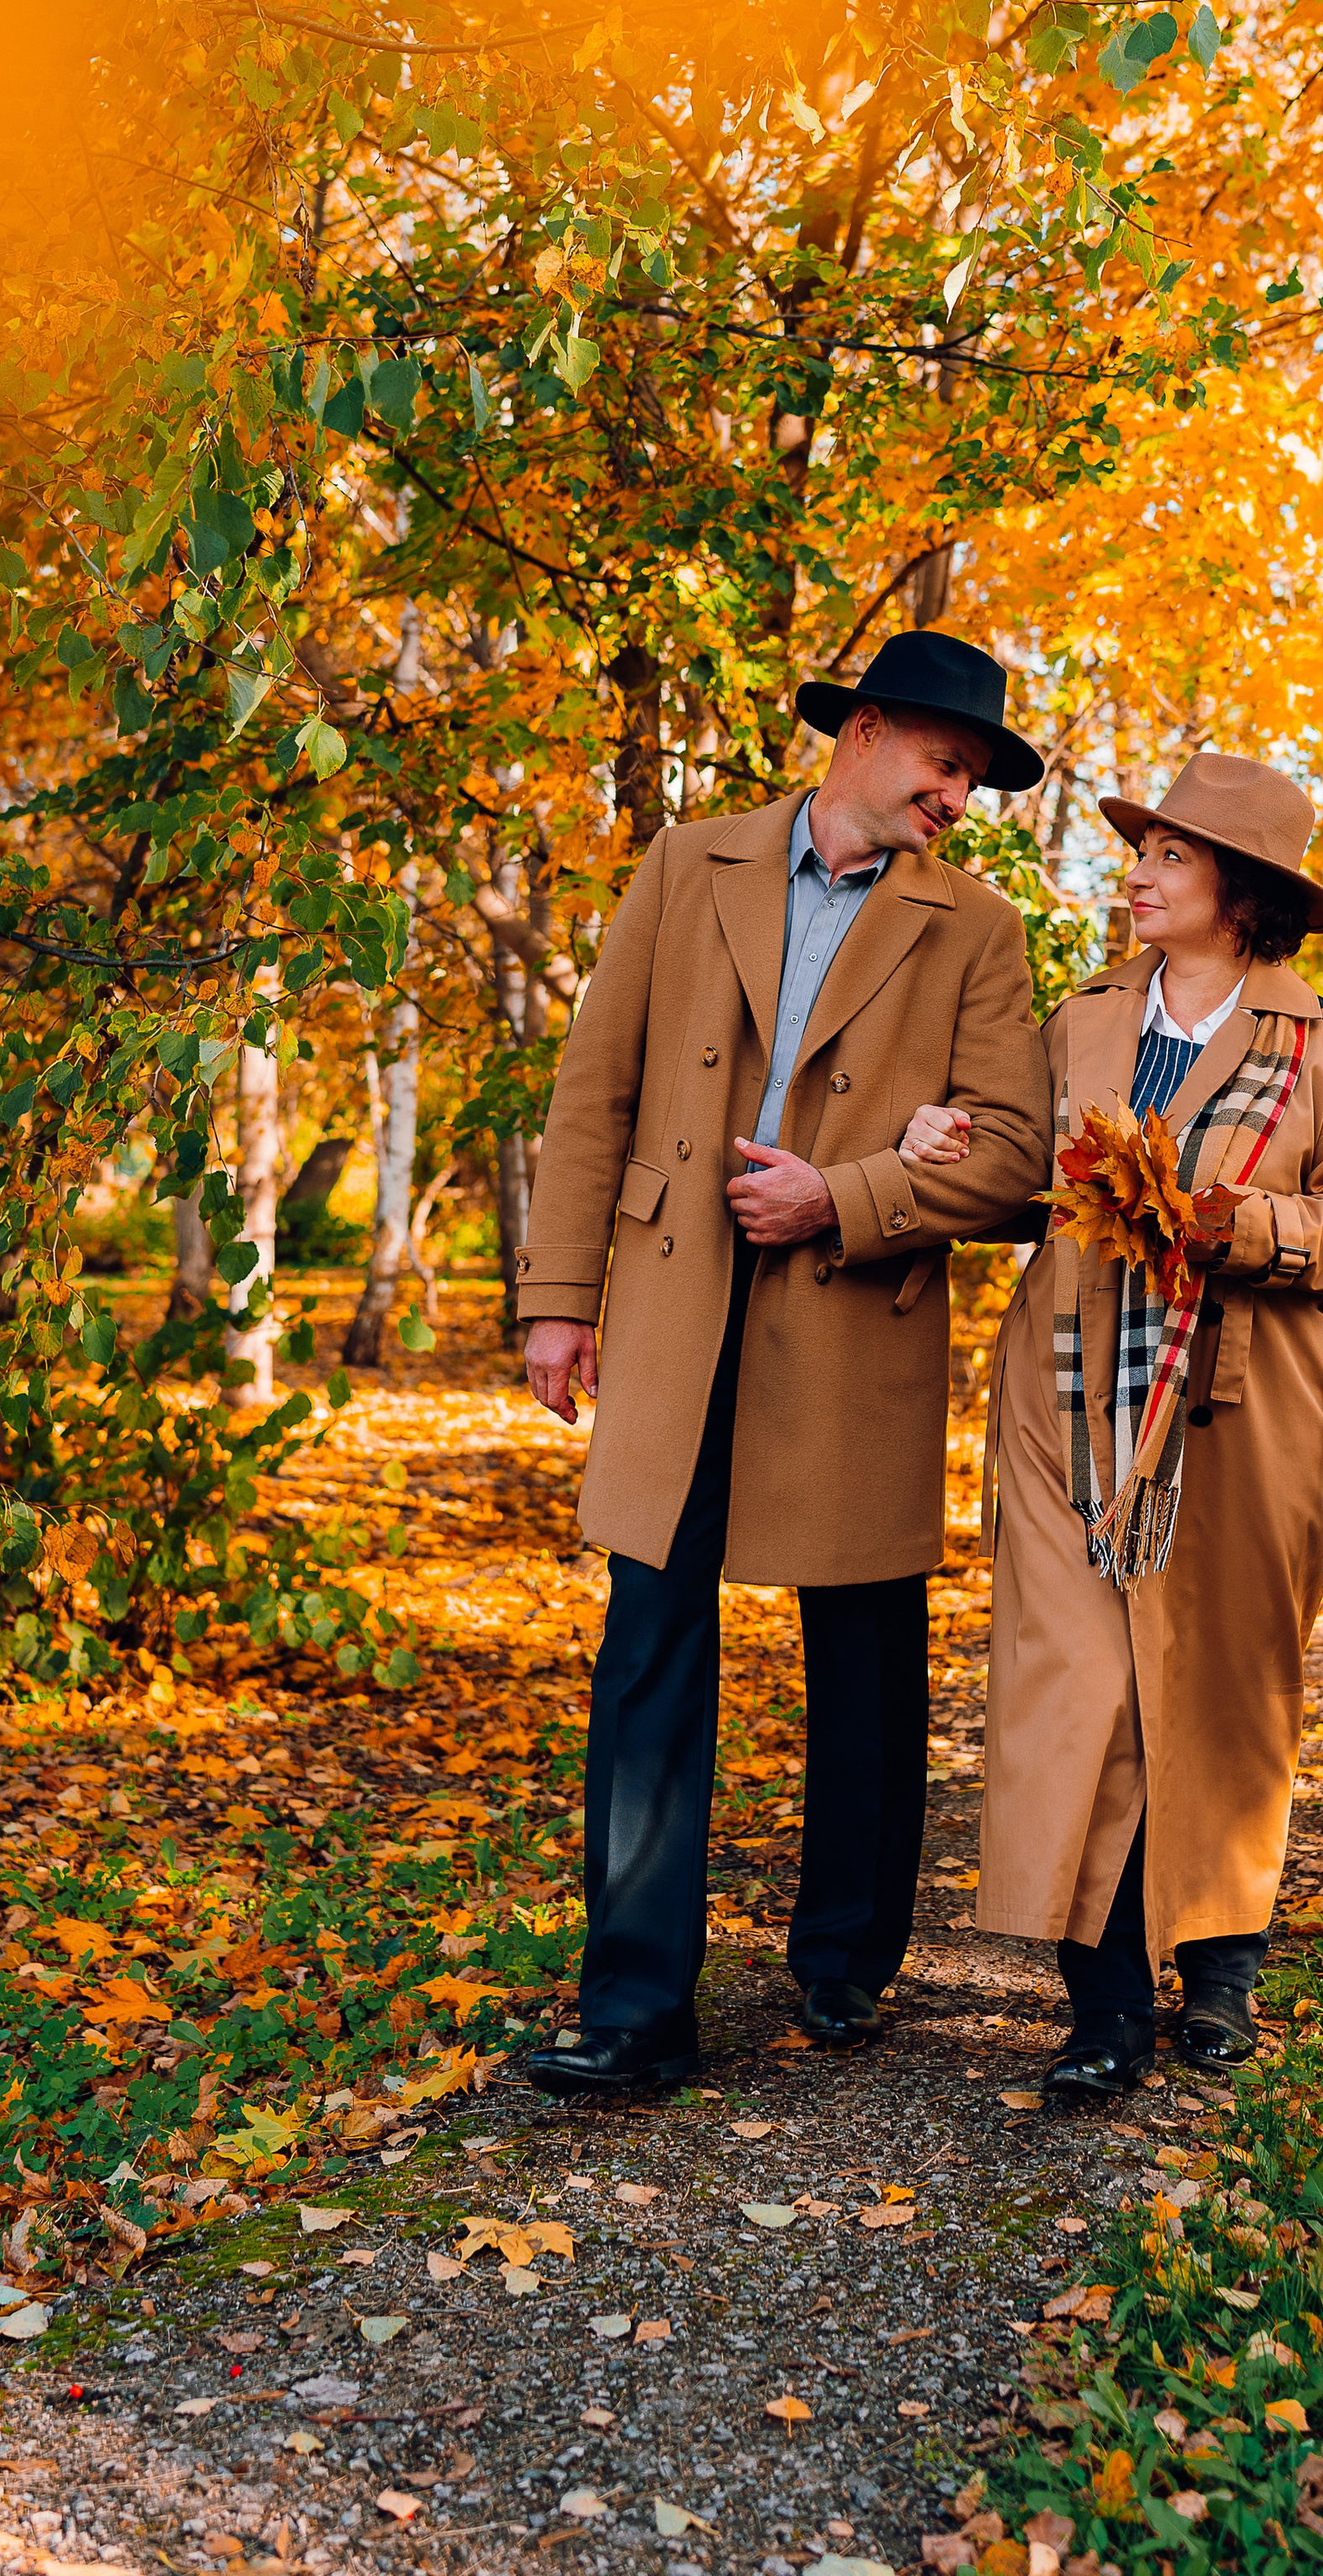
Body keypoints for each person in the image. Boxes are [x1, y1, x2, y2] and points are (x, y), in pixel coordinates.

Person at [513, 633, 1054, 2090]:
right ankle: (633, 2009)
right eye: (948, 764)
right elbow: (596, 1088)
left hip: (851, 1313)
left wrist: (848, 1196)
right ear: (865, 732)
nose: (960, 797)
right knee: (649, 1650)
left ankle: (846, 1963)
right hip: (678, 1304)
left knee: (865, 1652)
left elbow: (1015, 1163)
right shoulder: (692, 866)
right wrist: (558, 1296)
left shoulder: (978, 928)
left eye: (976, 780)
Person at [902, 752, 1323, 2093]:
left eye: (1170, 857)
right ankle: (1105, 2001)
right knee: (1083, 1680)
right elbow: (1027, 1170)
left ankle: (1223, 1972)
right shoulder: (1079, 1023)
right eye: (1142, 852)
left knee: (1232, 1682)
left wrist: (1246, 1227)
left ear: (1241, 896)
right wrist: (943, 1149)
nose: (1134, 873)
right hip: (1073, 1396)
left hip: (1251, 1411)